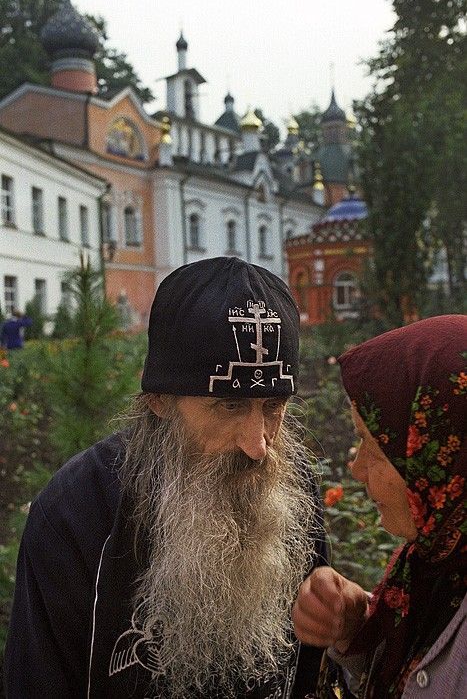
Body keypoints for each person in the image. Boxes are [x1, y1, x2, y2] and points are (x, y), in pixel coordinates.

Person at [4, 257, 328, 699]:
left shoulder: (291, 485)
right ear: (159, 400)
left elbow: (310, 665)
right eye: (230, 406)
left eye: (273, 406)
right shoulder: (75, 514)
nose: (259, 446)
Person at [292, 314, 467, 698]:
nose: (355, 469)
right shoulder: (432, 571)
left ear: (438, 455)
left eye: (374, 444)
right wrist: (359, 628)